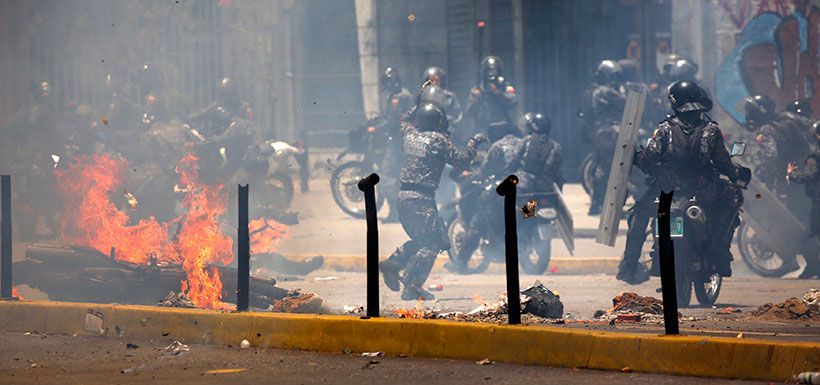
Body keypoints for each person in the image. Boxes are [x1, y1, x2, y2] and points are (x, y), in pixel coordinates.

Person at [628, 80, 750, 278]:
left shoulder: (664, 129)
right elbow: (723, 162)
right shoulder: (711, 130)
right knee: (733, 197)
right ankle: (718, 249)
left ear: (674, 102)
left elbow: (650, 157)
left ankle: (629, 265)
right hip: (703, 191)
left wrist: (634, 156)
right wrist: (735, 174)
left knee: (638, 214)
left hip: (667, 191)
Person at [379, 102, 485, 300]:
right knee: (433, 243)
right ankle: (412, 285)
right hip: (421, 199)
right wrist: (474, 142)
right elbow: (461, 159)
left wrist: (417, 103)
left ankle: (392, 264)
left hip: (403, 197)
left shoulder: (409, 135)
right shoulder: (438, 140)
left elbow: (404, 119)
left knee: (426, 240)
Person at [586, 59, 625, 215]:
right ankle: (610, 208)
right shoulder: (606, 91)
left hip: (599, 132)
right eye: (613, 76)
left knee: (602, 167)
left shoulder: (593, 90)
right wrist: (623, 90)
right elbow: (625, 102)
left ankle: (596, 204)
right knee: (613, 169)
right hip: (609, 132)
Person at [786, 122, 820, 279]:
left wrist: (791, 174)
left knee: (809, 236)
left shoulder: (815, 156)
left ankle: (813, 267)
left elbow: (809, 175)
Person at [465, 56, 518, 140]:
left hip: (503, 131)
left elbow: (513, 103)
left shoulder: (506, 88)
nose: (491, 74)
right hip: (483, 131)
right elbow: (469, 113)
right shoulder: (477, 90)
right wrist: (476, 99)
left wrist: (497, 93)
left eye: (494, 71)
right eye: (489, 71)